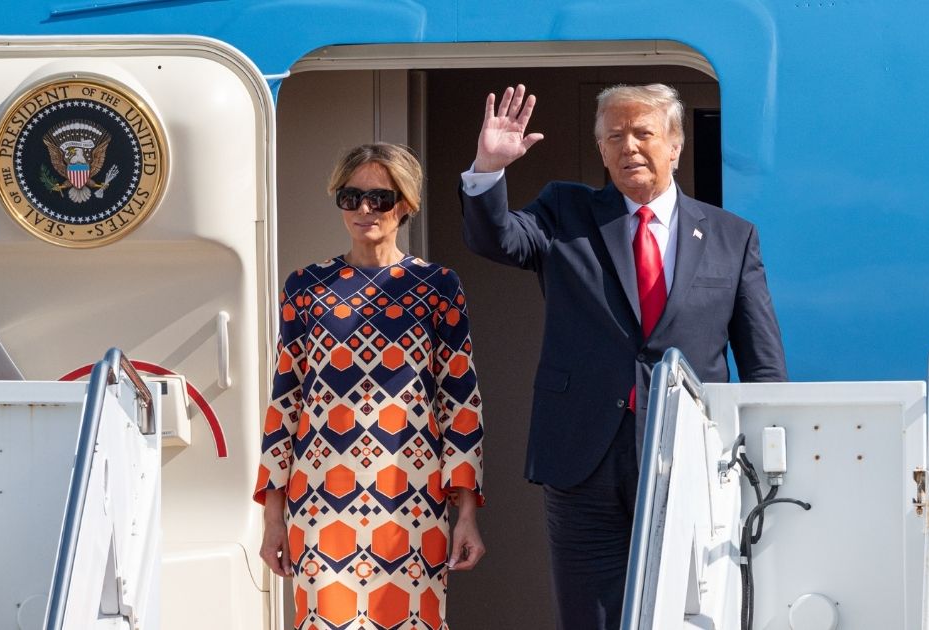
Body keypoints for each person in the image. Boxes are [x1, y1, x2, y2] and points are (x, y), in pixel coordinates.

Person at [460, 83, 787, 629]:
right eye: (614, 136)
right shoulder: (567, 211)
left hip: (689, 457)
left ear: (676, 144)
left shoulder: (733, 237)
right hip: (583, 457)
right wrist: (488, 169)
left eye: (643, 133)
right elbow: (497, 239)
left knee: (691, 610)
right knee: (591, 616)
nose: (629, 146)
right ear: (601, 149)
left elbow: (763, 364)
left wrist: (770, 459)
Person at [255, 143, 486, 630]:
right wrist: (273, 517)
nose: (365, 209)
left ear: (404, 204)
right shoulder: (306, 286)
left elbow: (459, 402)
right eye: (351, 196)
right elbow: (285, 402)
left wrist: (466, 513)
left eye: (380, 198)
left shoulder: (438, 285)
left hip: (413, 498)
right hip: (318, 498)